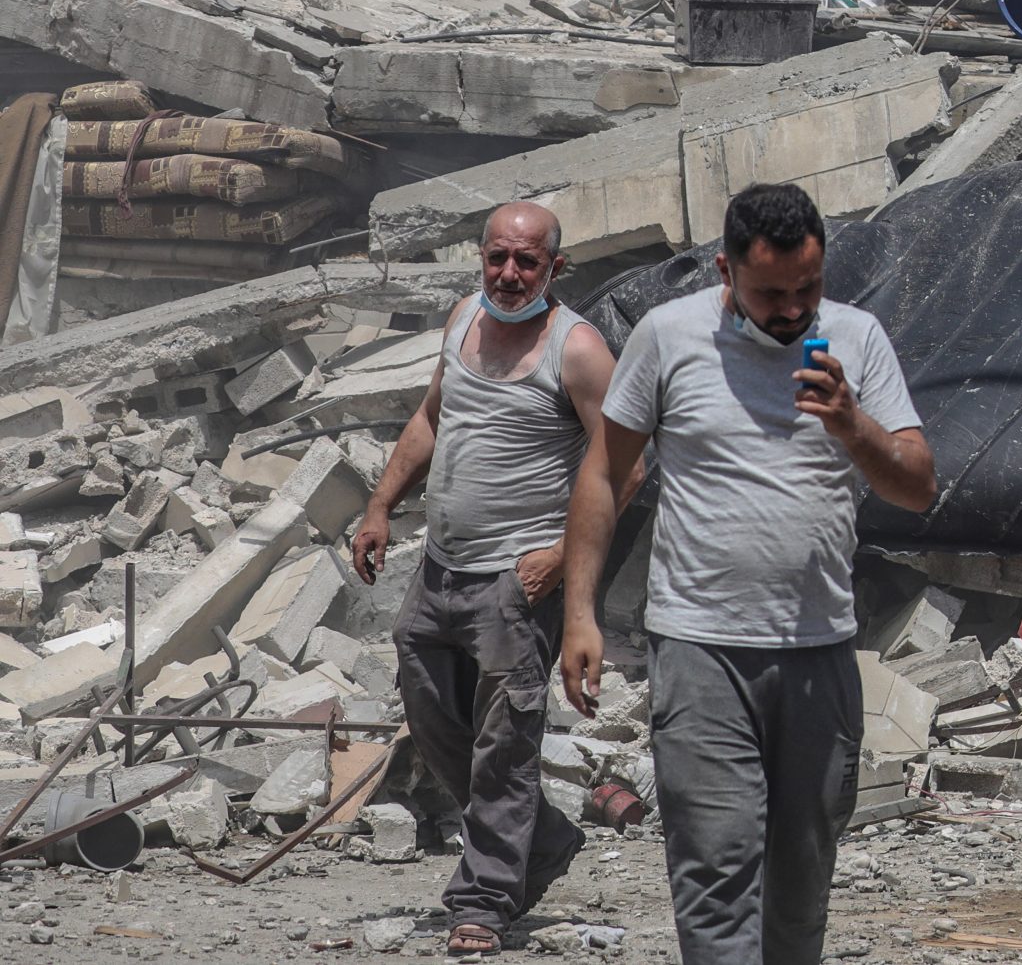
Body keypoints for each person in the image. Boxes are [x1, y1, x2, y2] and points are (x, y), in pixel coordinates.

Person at [557, 183, 935, 965]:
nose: (793, 308)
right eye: (770, 292)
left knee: (801, 882)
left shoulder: (857, 340)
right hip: (701, 652)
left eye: (808, 288)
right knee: (717, 872)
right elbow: (603, 474)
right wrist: (580, 613)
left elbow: (918, 485)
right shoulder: (667, 336)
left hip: (820, 651)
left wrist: (851, 423)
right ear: (725, 272)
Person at [349, 202, 632, 959]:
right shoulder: (464, 317)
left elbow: (625, 467)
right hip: (441, 567)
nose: (510, 275)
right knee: (432, 706)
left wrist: (563, 554)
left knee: (506, 743)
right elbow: (432, 417)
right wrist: (380, 505)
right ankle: (540, 838)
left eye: (527, 262)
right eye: (498, 258)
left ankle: (482, 899)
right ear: (481, 258)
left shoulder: (576, 351)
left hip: (517, 582)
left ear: (555, 268)